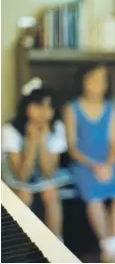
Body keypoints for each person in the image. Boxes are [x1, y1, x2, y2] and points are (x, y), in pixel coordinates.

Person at [63, 64, 115, 262]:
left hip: (110, 161)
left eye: (102, 80)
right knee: (93, 195)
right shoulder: (72, 108)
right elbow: (73, 147)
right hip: (83, 163)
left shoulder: (112, 109)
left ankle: (113, 249)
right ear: (83, 81)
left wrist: (108, 164)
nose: (97, 84)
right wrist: (94, 165)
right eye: (92, 79)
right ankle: (108, 248)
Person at [1, 77, 71, 240]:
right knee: (24, 195)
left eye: (49, 106)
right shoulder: (10, 130)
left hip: (42, 172)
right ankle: (22, 243)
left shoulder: (57, 128)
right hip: (16, 171)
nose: (44, 112)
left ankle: (56, 243)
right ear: (26, 106)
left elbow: (48, 172)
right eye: (39, 105)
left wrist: (42, 140)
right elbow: (22, 175)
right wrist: (31, 143)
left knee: (50, 194)